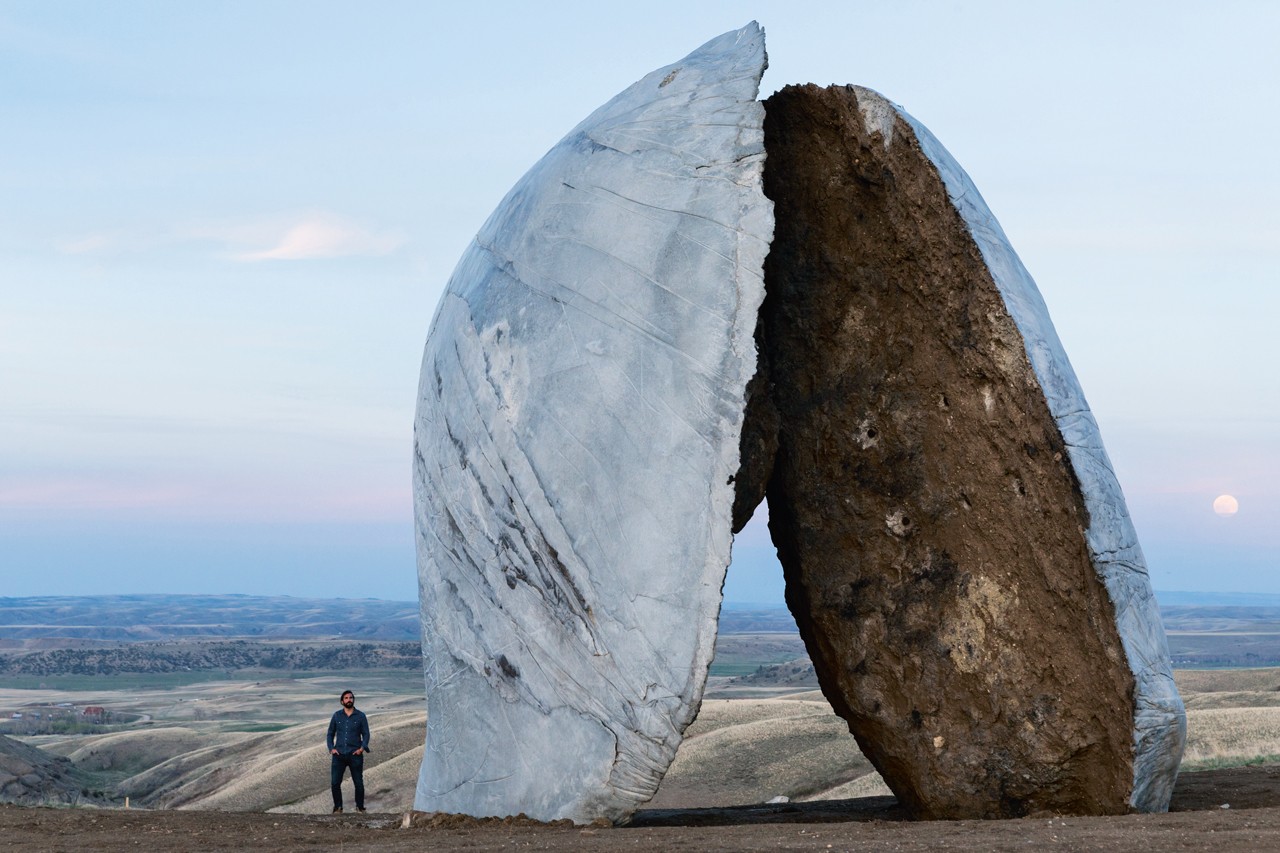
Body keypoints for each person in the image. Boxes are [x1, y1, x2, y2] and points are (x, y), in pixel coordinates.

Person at [326, 689, 370, 813]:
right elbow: (330, 733)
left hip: (355, 754)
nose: (349, 700)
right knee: (335, 783)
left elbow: (366, 734)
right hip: (339, 755)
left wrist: (362, 748)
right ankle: (338, 808)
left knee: (358, 783)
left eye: (351, 698)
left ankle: (360, 808)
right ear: (342, 701)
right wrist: (331, 748)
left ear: (353, 700)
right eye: (346, 698)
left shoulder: (360, 716)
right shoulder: (336, 716)